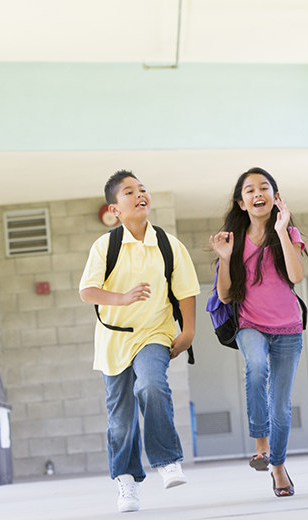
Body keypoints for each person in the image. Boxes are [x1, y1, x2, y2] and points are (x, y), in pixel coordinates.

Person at [79, 170, 199, 512]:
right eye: (129, 192)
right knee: (120, 417)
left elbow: (186, 291)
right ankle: (127, 482)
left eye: (142, 189)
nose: (140, 195)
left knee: (150, 385)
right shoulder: (105, 246)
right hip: (114, 341)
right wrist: (122, 298)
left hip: (154, 333)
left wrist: (187, 331)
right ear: (114, 209)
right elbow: (87, 291)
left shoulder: (168, 244)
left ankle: (166, 460)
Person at [209, 167, 306, 498]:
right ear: (241, 202)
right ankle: (261, 443)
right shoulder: (233, 242)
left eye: (264, 187)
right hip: (250, 324)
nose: (257, 193)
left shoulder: (287, 233)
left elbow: (296, 276)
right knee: (257, 367)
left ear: (275, 197)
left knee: (281, 406)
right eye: (249, 190)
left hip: (289, 328)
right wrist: (224, 259)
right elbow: (224, 296)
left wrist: (281, 230)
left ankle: (277, 466)